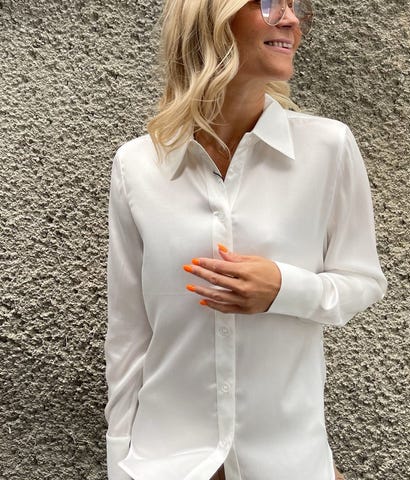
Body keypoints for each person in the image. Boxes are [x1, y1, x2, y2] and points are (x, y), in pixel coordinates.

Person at [104, 0, 387, 479]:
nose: (291, 19)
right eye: (270, 3)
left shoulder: (328, 148)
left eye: (296, 6)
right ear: (212, 17)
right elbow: (129, 332)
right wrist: (120, 464)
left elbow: (364, 281)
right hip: (167, 463)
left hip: (288, 462)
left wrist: (283, 288)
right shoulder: (137, 165)